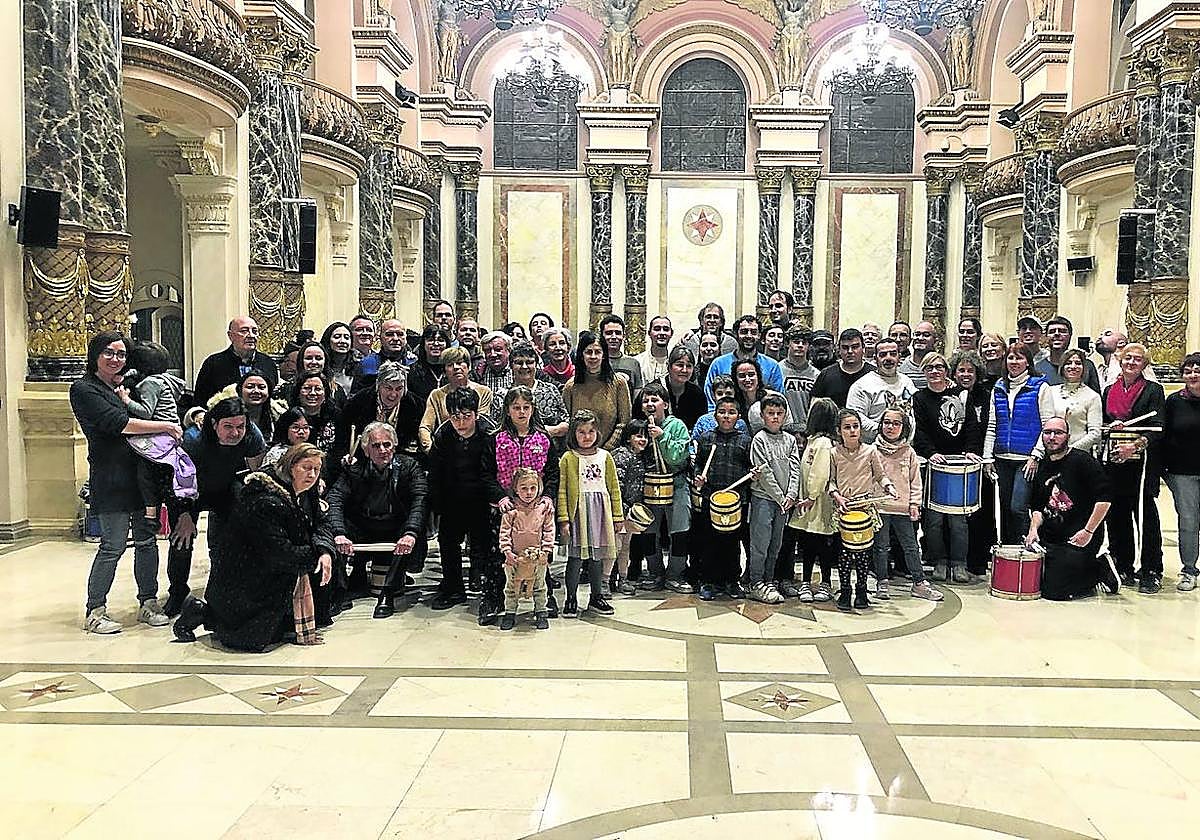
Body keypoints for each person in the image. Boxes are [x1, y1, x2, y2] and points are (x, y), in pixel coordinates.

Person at [173, 443, 336, 650]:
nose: (312, 474)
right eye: (306, 467)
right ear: (290, 467)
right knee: (254, 638)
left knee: (326, 566)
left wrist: (324, 550)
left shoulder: (306, 491)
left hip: (277, 570)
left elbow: (322, 522)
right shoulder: (266, 500)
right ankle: (202, 612)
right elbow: (281, 554)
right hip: (248, 580)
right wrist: (315, 553)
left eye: (317, 469)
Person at [70, 331, 182, 634]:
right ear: (95, 354)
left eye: (121, 354)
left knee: (147, 542)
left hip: (142, 477)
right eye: (109, 352)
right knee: (112, 545)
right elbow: (118, 424)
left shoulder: (127, 386)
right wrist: (166, 426)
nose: (115, 359)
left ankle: (148, 602)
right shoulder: (84, 389)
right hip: (111, 477)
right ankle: (95, 610)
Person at [165, 395, 267, 616]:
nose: (235, 433)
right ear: (214, 424)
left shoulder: (251, 435)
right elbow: (174, 480)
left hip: (225, 487)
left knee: (228, 539)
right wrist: (183, 513)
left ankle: (222, 588)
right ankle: (178, 592)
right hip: (189, 492)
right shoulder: (193, 440)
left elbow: (257, 470)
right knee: (182, 541)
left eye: (240, 426)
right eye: (228, 426)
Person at [326, 422, 428, 619]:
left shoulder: (409, 466)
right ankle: (340, 590)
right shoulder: (354, 470)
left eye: (387, 445)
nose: (382, 450)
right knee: (330, 533)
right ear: (365, 450)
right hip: (364, 526)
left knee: (411, 531)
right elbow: (334, 498)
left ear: (395, 446)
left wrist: (411, 532)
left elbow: (420, 499)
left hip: (395, 525)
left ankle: (387, 594)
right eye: (376, 446)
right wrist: (339, 533)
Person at [1025, 417, 1120, 601]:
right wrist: (1033, 530)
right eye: (1047, 433)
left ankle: (1099, 567)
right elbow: (1037, 506)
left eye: (1058, 433)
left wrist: (1088, 531)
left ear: (1068, 436)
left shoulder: (1083, 461)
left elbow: (1105, 499)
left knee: (1055, 592)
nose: (1052, 437)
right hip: (1051, 538)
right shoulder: (1043, 465)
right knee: (1037, 583)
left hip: (1080, 537)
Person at [427, 388, 503, 611]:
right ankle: (453, 588)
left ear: (476, 414)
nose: (460, 422)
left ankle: (486, 587)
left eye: (466, 416)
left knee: (485, 545)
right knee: (448, 543)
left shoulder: (489, 434)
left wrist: (494, 500)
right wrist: (437, 505)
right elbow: (435, 472)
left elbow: (493, 471)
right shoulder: (443, 436)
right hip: (453, 499)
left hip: (482, 500)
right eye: (455, 416)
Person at [912, 353, 984, 584]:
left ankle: (959, 563)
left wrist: (971, 449)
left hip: (958, 464)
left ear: (946, 371)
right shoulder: (919, 398)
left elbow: (972, 425)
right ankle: (939, 561)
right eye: (929, 368)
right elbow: (919, 431)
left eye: (939, 367)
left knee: (958, 519)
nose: (935, 372)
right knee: (933, 518)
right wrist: (932, 453)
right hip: (932, 463)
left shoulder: (961, 395)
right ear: (924, 372)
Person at [1101, 342, 1165, 593]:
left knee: (1145, 515)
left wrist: (1136, 445)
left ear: (1144, 364)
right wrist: (1111, 427)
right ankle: (1123, 564)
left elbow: (1158, 426)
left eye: (1137, 359)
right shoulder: (1108, 390)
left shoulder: (1153, 390)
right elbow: (1103, 423)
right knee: (1116, 515)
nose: (1131, 362)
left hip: (1142, 464)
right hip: (1115, 461)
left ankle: (1151, 569)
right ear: (1120, 359)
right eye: (1127, 357)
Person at [493, 385, 562, 615]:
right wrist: (500, 497)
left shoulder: (543, 439)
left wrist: (549, 497)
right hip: (507, 507)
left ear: (533, 409)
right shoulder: (496, 438)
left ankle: (544, 597)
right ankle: (499, 599)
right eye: (516, 408)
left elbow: (553, 472)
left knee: (541, 553)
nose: (521, 412)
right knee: (505, 555)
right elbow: (485, 472)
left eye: (526, 407)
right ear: (508, 410)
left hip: (536, 507)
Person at [983, 343, 1053, 543]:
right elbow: (992, 425)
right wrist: (988, 457)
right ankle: (1007, 554)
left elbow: (1047, 426)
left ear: (1028, 362)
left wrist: (1036, 455)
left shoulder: (1040, 386)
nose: (1014, 362)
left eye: (1019, 358)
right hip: (1002, 458)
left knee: (1018, 507)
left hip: (1026, 459)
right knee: (1004, 508)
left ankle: (1025, 550)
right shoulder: (998, 388)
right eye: (1011, 358)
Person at [558, 409, 624, 616]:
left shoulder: (606, 457)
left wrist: (617, 516)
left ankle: (596, 597)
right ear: (573, 434)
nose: (586, 437)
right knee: (575, 559)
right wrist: (563, 520)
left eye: (590, 431)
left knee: (597, 557)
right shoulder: (568, 458)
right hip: (578, 514)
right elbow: (562, 490)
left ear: (597, 433)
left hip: (600, 513)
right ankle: (571, 598)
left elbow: (614, 487)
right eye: (581, 432)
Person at [830, 408, 897, 611]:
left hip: (865, 507)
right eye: (847, 427)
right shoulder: (834, 453)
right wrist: (836, 495)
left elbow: (880, 475)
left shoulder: (870, 451)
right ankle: (845, 589)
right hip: (845, 508)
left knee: (862, 553)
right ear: (839, 430)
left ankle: (860, 590)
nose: (852, 431)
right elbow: (831, 482)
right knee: (843, 554)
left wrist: (889, 486)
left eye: (855, 426)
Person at [122, 341, 196, 524]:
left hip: (159, 433)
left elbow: (146, 412)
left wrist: (125, 400)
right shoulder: (164, 380)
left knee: (144, 472)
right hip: (168, 434)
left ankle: (151, 514)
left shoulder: (150, 383)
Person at [874, 408, 942, 602]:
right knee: (881, 546)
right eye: (887, 422)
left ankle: (919, 583)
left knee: (911, 546)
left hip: (903, 508)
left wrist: (914, 503)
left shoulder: (909, 452)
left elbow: (915, 481)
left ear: (903, 427)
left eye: (896, 424)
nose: (890, 427)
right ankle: (882, 581)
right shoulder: (872, 450)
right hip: (880, 507)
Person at [637, 383, 693, 593]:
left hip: (676, 483)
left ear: (666, 404)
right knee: (649, 531)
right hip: (650, 486)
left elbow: (677, 456)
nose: (650, 404)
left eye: (655, 400)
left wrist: (661, 436)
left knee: (679, 531)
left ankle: (676, 574)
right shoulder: (640, 426)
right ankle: (654, 572)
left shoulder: (676, 425)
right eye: (646, 400)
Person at [746, 394, 801, 604]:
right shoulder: (759, 439)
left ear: (785, 415)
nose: (775, 417)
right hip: (764, 499)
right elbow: (765, 473)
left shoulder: (790, 440)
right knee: (760, 543)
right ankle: (755, 581)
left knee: (776, 543)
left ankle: (769, 580)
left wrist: (791, 495)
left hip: (784, 502)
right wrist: (780, 496)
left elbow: (795, 468)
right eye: (771, 413)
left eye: (779, 414)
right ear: (763, 415)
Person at [789, 398, 839, 602]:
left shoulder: (824, 444)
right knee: (808, 544)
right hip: (808, 503)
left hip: (818, 503)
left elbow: (819, 474)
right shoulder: (813, 441)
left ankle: (825, 583)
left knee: (822, 545)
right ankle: (806, 582)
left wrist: (811, 496)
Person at [498, 467, 555, 631]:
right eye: (524, 488)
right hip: (514, 558)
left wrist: (546, 551)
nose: (529, 492)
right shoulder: (511, 511)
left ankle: (541, 611)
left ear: (539, 488)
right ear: (515, 489)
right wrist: (507, 551)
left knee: (539, 586)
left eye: (533, 488)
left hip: (538, 558)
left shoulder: (544, 510)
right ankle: (510, 613)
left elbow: (549, 531)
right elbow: (504, 533)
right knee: (511, 587)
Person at [1162, 352, 1200, 592]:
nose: (1193, 374)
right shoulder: (1174, 401)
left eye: (1198, 370)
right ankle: (1188, 569)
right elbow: (1165, 435)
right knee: (1188, 521)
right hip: (1182, 472)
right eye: (1188, 371)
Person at [337, 361, 422, 463]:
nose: (393, 395)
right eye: (388, 388)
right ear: (378, 385)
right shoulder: (358, 403)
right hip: (362, 462)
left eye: (399, 389)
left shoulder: (416, 406)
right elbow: (341, 438)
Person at [561, 330, 632, 450]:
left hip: (610, 453)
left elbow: (624, 422)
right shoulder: (571, 386)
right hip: (577, 453)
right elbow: (566, 424)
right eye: (588, 352)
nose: (593, 356)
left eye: (597, 352)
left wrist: (605, 450)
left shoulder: (618, 383)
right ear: (581, 355)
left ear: (604, 355)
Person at [418, 347, 494, 453]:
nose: (456, 367)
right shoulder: (436, 395)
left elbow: (480, 423)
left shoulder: (484, 392)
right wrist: (431, 450)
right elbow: (425, 427)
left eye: (460, 362)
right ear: (444, 371)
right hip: (446, 447)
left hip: (476, 449)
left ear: (469, 366)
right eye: (450, 365)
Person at [193, 316, 279, 408]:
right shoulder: (213, 363)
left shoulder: (268, 363)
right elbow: (200, 401)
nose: (251, 335)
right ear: (230, 336)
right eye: (244, 331)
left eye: (254, 331)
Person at [704, 315, 785, 407]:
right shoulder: (718, 364)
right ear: (735, 334)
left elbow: (779, 399)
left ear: (759, 335)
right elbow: (709, 398)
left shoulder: (772, 366)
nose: (749, 336)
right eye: (744, 332)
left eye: (753, 332)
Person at [846, 338, 916, 443]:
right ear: (875, 359)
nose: (888, 358)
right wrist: (886, 431)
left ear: (899, 357)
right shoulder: (861, 386)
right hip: (872, 449)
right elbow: (855, 418)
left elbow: (913, 415)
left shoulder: (907, 383)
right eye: (883, 355)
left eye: (893, 354)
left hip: (904, 448)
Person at [1034, 348, 1101, 455]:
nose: (1073, 366)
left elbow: (1095, 433)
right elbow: (1043, 426)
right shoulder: (1050, 391)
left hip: (1078, 455)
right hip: (1049, 454)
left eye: (1078, 363)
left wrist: (1069, 451)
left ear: (1084, 368)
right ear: (1062, 367)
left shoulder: (1092, 396)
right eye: (1068, 363)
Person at [611, 420, 649, 595]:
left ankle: (623, 579)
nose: (643, 440)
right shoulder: (621, 455)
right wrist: (620, 511)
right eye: (638, 436)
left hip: (632, 511)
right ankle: (606, 580)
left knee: (625, 546)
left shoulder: (641, 457)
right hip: (619, 511)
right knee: (615, 546)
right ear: (628, 438)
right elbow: (616, 486)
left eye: (645, 436)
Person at [509, 341, 570, 443]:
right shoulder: (502, 395)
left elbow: (566, 424)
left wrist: (546, 431)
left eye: (529, 362)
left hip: (551, 454)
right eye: (519, 363)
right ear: (511, 366)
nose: (524, 367)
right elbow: (496, 431)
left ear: (536, 365)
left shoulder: (550, 390)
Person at [811, 328, 872, 408]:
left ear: (863, 348)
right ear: (838, 349)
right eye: (845, 347)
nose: (850, 351)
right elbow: (815, 407)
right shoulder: (826, 375)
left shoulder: (873, 374)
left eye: (855, 347)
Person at [649, 345, 706, 429]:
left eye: (689, 366)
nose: (684, 370)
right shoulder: (654, 390)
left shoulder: (697, 393)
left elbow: (701, 424)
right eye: (680, 365)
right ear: (669, 365)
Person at [353, 319, 414, 392]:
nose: (395, 338)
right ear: (380, 338)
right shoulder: (366, 363)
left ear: (405, 337)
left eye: (400, 334)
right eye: (389, 334)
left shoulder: (414, 363)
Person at [290, 373, 340, 459]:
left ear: (325, 394)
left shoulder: (337, 416)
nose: (313, 393)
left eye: (318, 389)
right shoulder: (289, 417)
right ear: (298, 392)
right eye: (307, 388)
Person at [779, 326, 818, 428]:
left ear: (809, 346)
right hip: (782, 429)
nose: (800, 346)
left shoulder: (817, 375)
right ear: (788, 343)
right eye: (796, 342)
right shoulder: (777, 370)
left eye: (804, 343)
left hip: (808, 430)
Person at [407, 325, 450, 410]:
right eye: (431, 340)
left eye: (441, 340)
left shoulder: (454, 370)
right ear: (423, 344)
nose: (436, 344)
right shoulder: (411, 372)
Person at [599, 314, 644, 393]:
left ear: (623, 336)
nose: (613, 337)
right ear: (602, 335)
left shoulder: (633, 363)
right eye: (609, 333)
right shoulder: (595, 361)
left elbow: (637, 394)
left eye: (618, 333)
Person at [238, 371, 283, 441]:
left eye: (261, 387)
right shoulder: (228, 415)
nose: (256, 391)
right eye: (250, 387)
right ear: (240, 391)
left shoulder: (278, 417)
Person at [636, 315, 675, 384]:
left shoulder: (676, 362)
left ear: (671, 333)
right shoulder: (638, 362)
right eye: (657, 329)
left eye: (666, 329)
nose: (662, 333)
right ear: (649, 333)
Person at [474, 330, 515, 396]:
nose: (493, 354)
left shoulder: (518, 371)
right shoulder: (477, 374)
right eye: (488, 350)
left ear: (509, 350)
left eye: (498, 349)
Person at [320, 321, 356, 394]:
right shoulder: (320, 367)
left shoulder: (358, 368)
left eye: (346, 337)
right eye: (337, 337)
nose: (342, 341)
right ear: (328, 340)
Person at [899, 321, 937, 389]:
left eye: (926, 335)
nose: (920, 338)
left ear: (935, 340)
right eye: (917, 334)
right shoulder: (900, 365)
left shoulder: (940, 366)